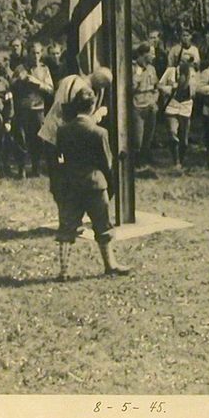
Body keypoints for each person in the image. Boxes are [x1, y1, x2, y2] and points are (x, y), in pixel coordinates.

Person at [53, 84, 132, 281]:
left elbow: (59, 159)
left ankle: (64, 270)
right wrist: (109, 185)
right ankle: (110, 264)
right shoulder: (99, 133)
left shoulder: (63, 131)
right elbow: (107, 162)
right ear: (92, 106)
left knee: (67, 227)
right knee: (103, 226)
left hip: (71, 184)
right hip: (95, 184)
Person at [10, 42, 54, 178]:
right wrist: (19, 80)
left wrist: (38, 82)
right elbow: (10, 86)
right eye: (33, 53)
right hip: (22, 109)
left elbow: (50, 89)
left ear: (41, 54)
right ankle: (21, 168)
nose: (35, 56)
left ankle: (35, 168)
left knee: (37, 138)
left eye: (38, 53)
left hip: (38, 108)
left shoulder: (44, 69)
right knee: (21, 138)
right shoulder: (20, 68)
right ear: (27, 53)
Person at [157, 51, 197, 168]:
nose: (187, 64)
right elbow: (159, 85)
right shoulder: (171, 71)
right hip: (172, 105)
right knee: (173, 133)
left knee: (184, 139)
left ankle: (182, 159)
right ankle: (176, 161)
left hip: (186, 107)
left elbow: (195, 91)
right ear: (180, 62)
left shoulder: (193, 74)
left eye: (189, 62)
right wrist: (169, 88)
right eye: (184, 61)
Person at [130, 41, 160, 169]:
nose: (153, 56)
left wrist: (155, 101)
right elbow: (131, 88)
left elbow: (156, 86)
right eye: (151, 53)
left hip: (151, 106)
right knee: (138, 138)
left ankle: (144, 161)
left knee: (148, 137)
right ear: (144, 54)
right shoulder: (132, 68)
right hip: (138, 107)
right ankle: (136, 163)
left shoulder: (151, 69)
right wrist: (137, 74)